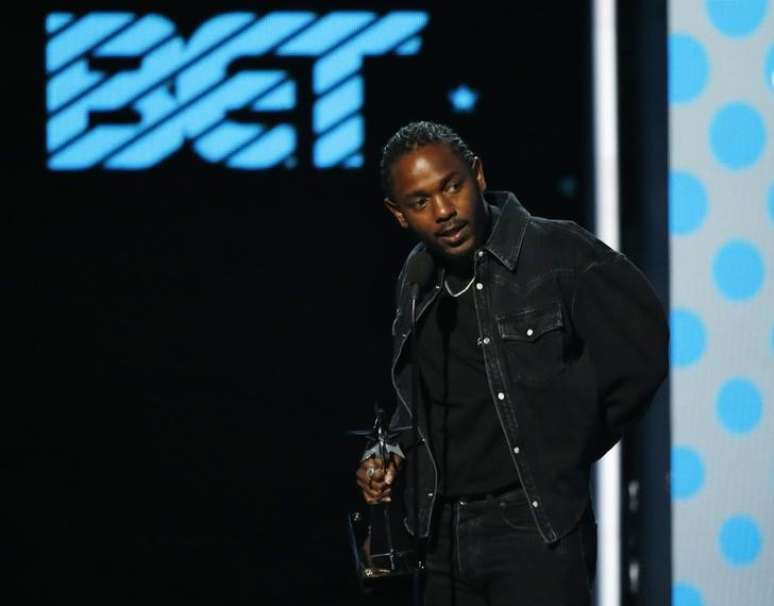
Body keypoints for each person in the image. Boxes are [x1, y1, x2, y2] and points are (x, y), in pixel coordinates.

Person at [355, 121, 669, 605]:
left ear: (477, 174)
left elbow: (640, 350)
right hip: (439, 536)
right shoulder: (416, 280)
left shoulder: (556, 252)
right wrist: (392, 455)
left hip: (533, 527)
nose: (443, 211)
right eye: (420, 202)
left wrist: (567, 446)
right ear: (398, 214)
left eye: (451, 186)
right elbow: (419, 401)